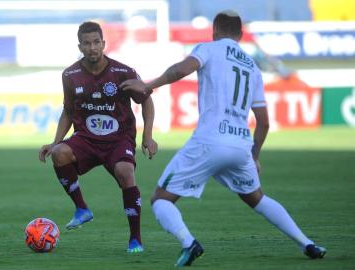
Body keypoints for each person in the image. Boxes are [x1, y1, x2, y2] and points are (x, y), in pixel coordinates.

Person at [120, 10, 326, 266]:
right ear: (240, 35)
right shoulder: (253, 66)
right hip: (240, 145)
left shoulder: (209, 49)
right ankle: (307, 243)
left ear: (214, 31)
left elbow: (180, 70)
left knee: (161, 199)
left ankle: (188, 242)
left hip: (209, 141)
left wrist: (149, 85)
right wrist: (255, 157)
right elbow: (263, 121)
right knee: (257, 198)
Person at [38, 21, 157, 253]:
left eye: (96, 42)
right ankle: (82, 209)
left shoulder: (123, 72)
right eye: (86, 43)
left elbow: (147, 100)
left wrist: (147, 136)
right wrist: (54, 142)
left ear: (103, 43)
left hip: (118, 139)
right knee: (59, 153)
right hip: (86, 139)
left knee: (125, 172)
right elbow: (68, 111)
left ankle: (135, 239)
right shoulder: (70, 75)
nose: (92, 47)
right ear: (80, 46)